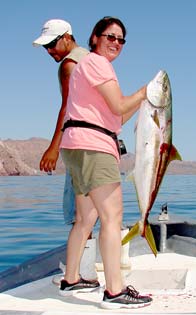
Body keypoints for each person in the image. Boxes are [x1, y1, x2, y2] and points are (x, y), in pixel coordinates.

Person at [59, 16, 153, 309]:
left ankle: (71, 278)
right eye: (110, 36)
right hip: (94, 148)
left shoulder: (86, 67)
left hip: (76, 145)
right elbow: (119, 105)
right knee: (112, 217)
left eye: (121, 39)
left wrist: (140, 103)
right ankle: (115, 290)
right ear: (96, 37)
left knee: (86, 218)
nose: (115, 43)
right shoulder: (98, 63)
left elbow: (116, 118)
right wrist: (145, 92)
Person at [32, 19, 98, 283]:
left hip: (79, 144)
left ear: (67, 37)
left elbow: (67, 108)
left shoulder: (69, 64)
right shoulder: (92, 60)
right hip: (98, 145)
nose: (49, 51)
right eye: (45, 46)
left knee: (77, 214)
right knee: (93, 211)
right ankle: (86, 272)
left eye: (52, 44)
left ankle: (80, 275)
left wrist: (53, 148)